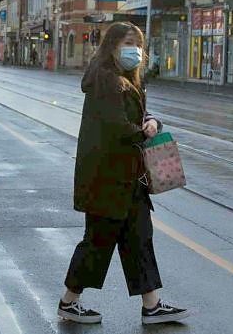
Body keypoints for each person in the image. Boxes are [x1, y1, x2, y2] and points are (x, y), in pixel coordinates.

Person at [60, 22, 189, 325]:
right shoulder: (106, 80)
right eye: (128, 42)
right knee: (97, 242)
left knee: (139, 239)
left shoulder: (123, 79)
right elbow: (117, 126)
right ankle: (69, 301)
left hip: (126, 178)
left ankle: (152, 305)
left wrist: (153, 121)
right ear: (113, 46)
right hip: (107, 179)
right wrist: (146, 133)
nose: (135, 50)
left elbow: (138, 116)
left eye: (138, 43)